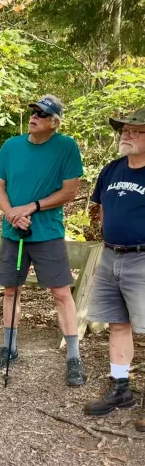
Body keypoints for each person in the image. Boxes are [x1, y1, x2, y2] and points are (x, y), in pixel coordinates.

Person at [0, 94, 86, 386]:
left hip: (47, 233)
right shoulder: (11, 146)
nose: (34, 117)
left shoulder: (66, 147)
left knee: (61, 293)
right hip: (13, 232)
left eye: (42, 115)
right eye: (33, 112)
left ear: (54, 123)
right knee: (10, 291)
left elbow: (70, 191)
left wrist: (32, 207)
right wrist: (11, 214)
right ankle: (9, 347)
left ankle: (73, 356)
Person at [83, 108, 145, 432]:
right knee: (117, 325)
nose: (127, 134)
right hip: (111, 257)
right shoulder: (111, 169)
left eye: (136, 130)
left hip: (143, 260)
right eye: (125, 129)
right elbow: (103, 210)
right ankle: (121, 390)